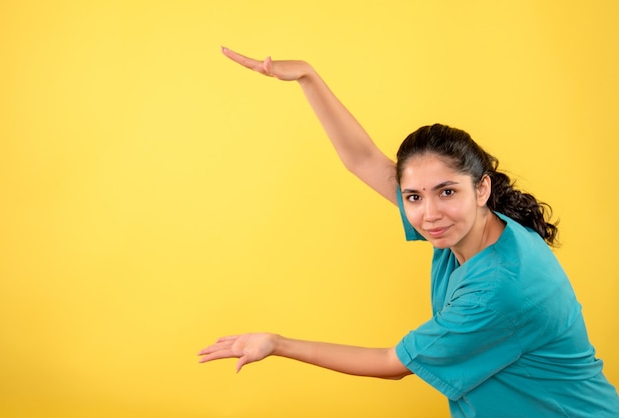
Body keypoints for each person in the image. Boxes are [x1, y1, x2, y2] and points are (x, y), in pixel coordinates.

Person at [199, 48, 619, 417]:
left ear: (482, 188)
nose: (428, 214)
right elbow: (363, 159)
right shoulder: (472, 229)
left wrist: (278, 343)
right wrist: (308, 76)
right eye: (413, 197)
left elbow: (392, 362)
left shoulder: (498, 287)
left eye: (446, 192)